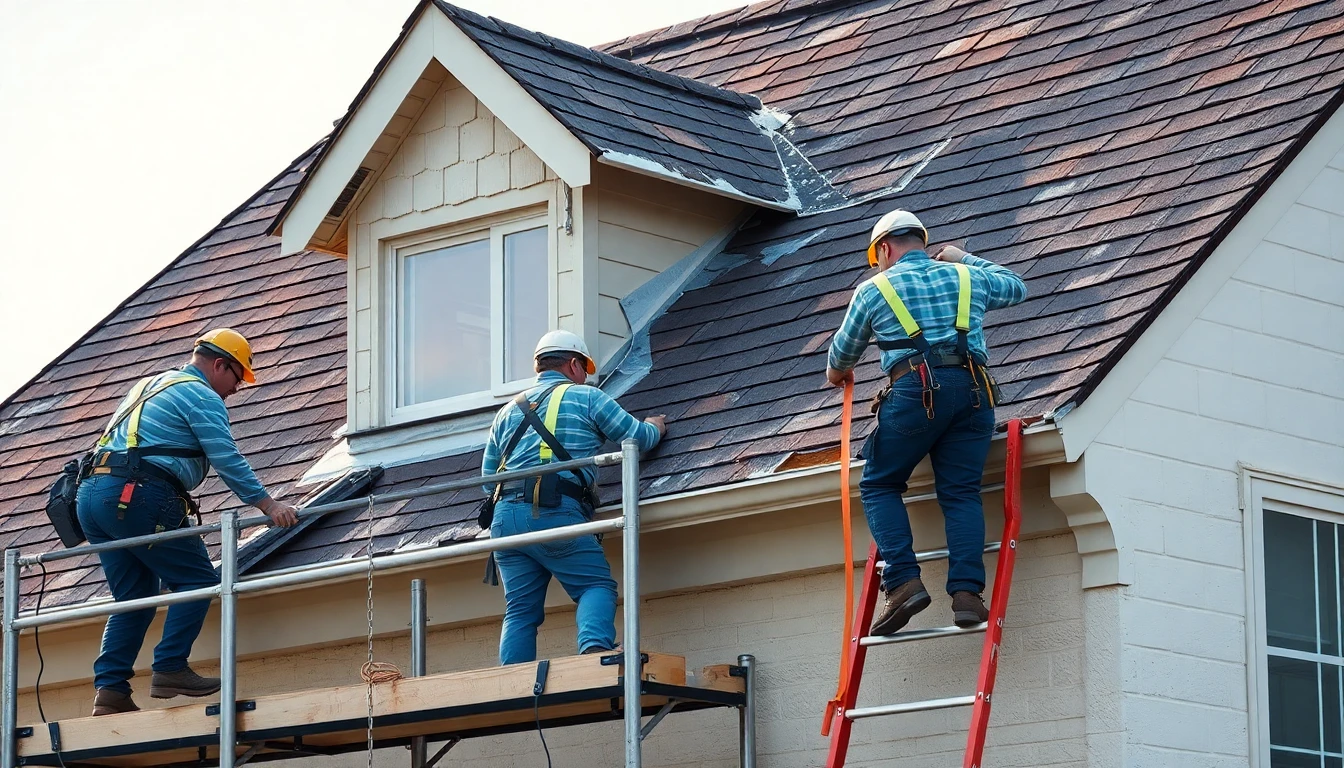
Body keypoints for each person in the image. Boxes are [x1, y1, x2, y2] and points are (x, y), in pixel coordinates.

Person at [77, 328, 299, 716]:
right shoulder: (201, 395)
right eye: (236, 378)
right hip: (139, 495)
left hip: (94, 498)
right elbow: (226, 458)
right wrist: (267, 504)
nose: (233, 390)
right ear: (219, 365)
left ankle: (111, 692)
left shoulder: (150, 385)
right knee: (197, 580)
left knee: (133, 599)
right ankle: (170, 668)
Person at [826, 210, 1027, 636]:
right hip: (974, 393)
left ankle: (903, 584)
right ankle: (967, 594)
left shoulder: (873, 289)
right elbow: (1017, 287)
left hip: (916, 393)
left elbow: (841, 356)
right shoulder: (966, 277)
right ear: (921, 239)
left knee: (879, 483)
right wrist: (964, 257)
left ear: (883, 249)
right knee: (960, 492)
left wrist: (838, 373)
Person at [482, 330, 666, 664]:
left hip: (505, 522)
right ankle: (595, 649)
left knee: (521, 609)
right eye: (585, 369)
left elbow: (487, 482)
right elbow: (635, 439)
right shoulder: (586, 397)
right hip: (554, 510)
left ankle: (512, 678)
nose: (586, 376)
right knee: (595, 586)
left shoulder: (506, 413)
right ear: (573, 364)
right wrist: (656, 426)